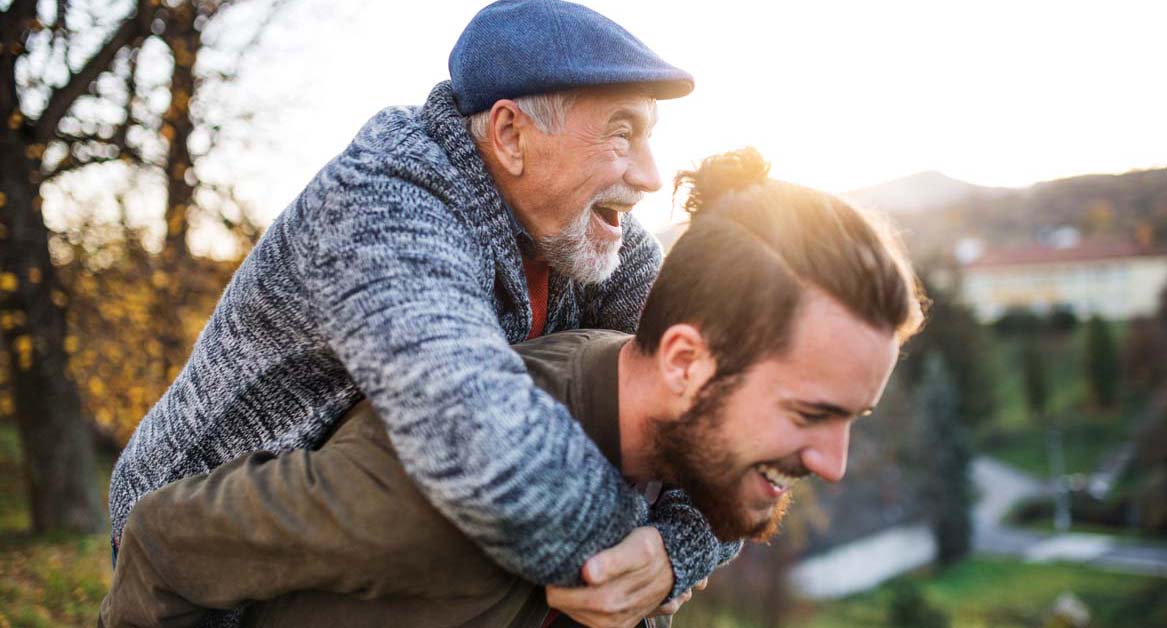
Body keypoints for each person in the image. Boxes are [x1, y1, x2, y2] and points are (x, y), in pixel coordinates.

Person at [100, 148, 927, 628]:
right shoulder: (426, 492)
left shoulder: (672, 424)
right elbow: (165, 543)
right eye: (811, 413)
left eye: (851, 417)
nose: (835, 463)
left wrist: (672, 557)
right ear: (682, 364)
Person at [107, 1, 724, 624]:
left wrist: (678, 548)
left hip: (381, 540)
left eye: (649, 136)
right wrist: (636, 558)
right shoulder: (385, 200)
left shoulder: (593, 232)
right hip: (202, 561)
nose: (649, 176)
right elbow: (476, 436)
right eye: (621, 132)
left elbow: (735, 402)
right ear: (510, 135)